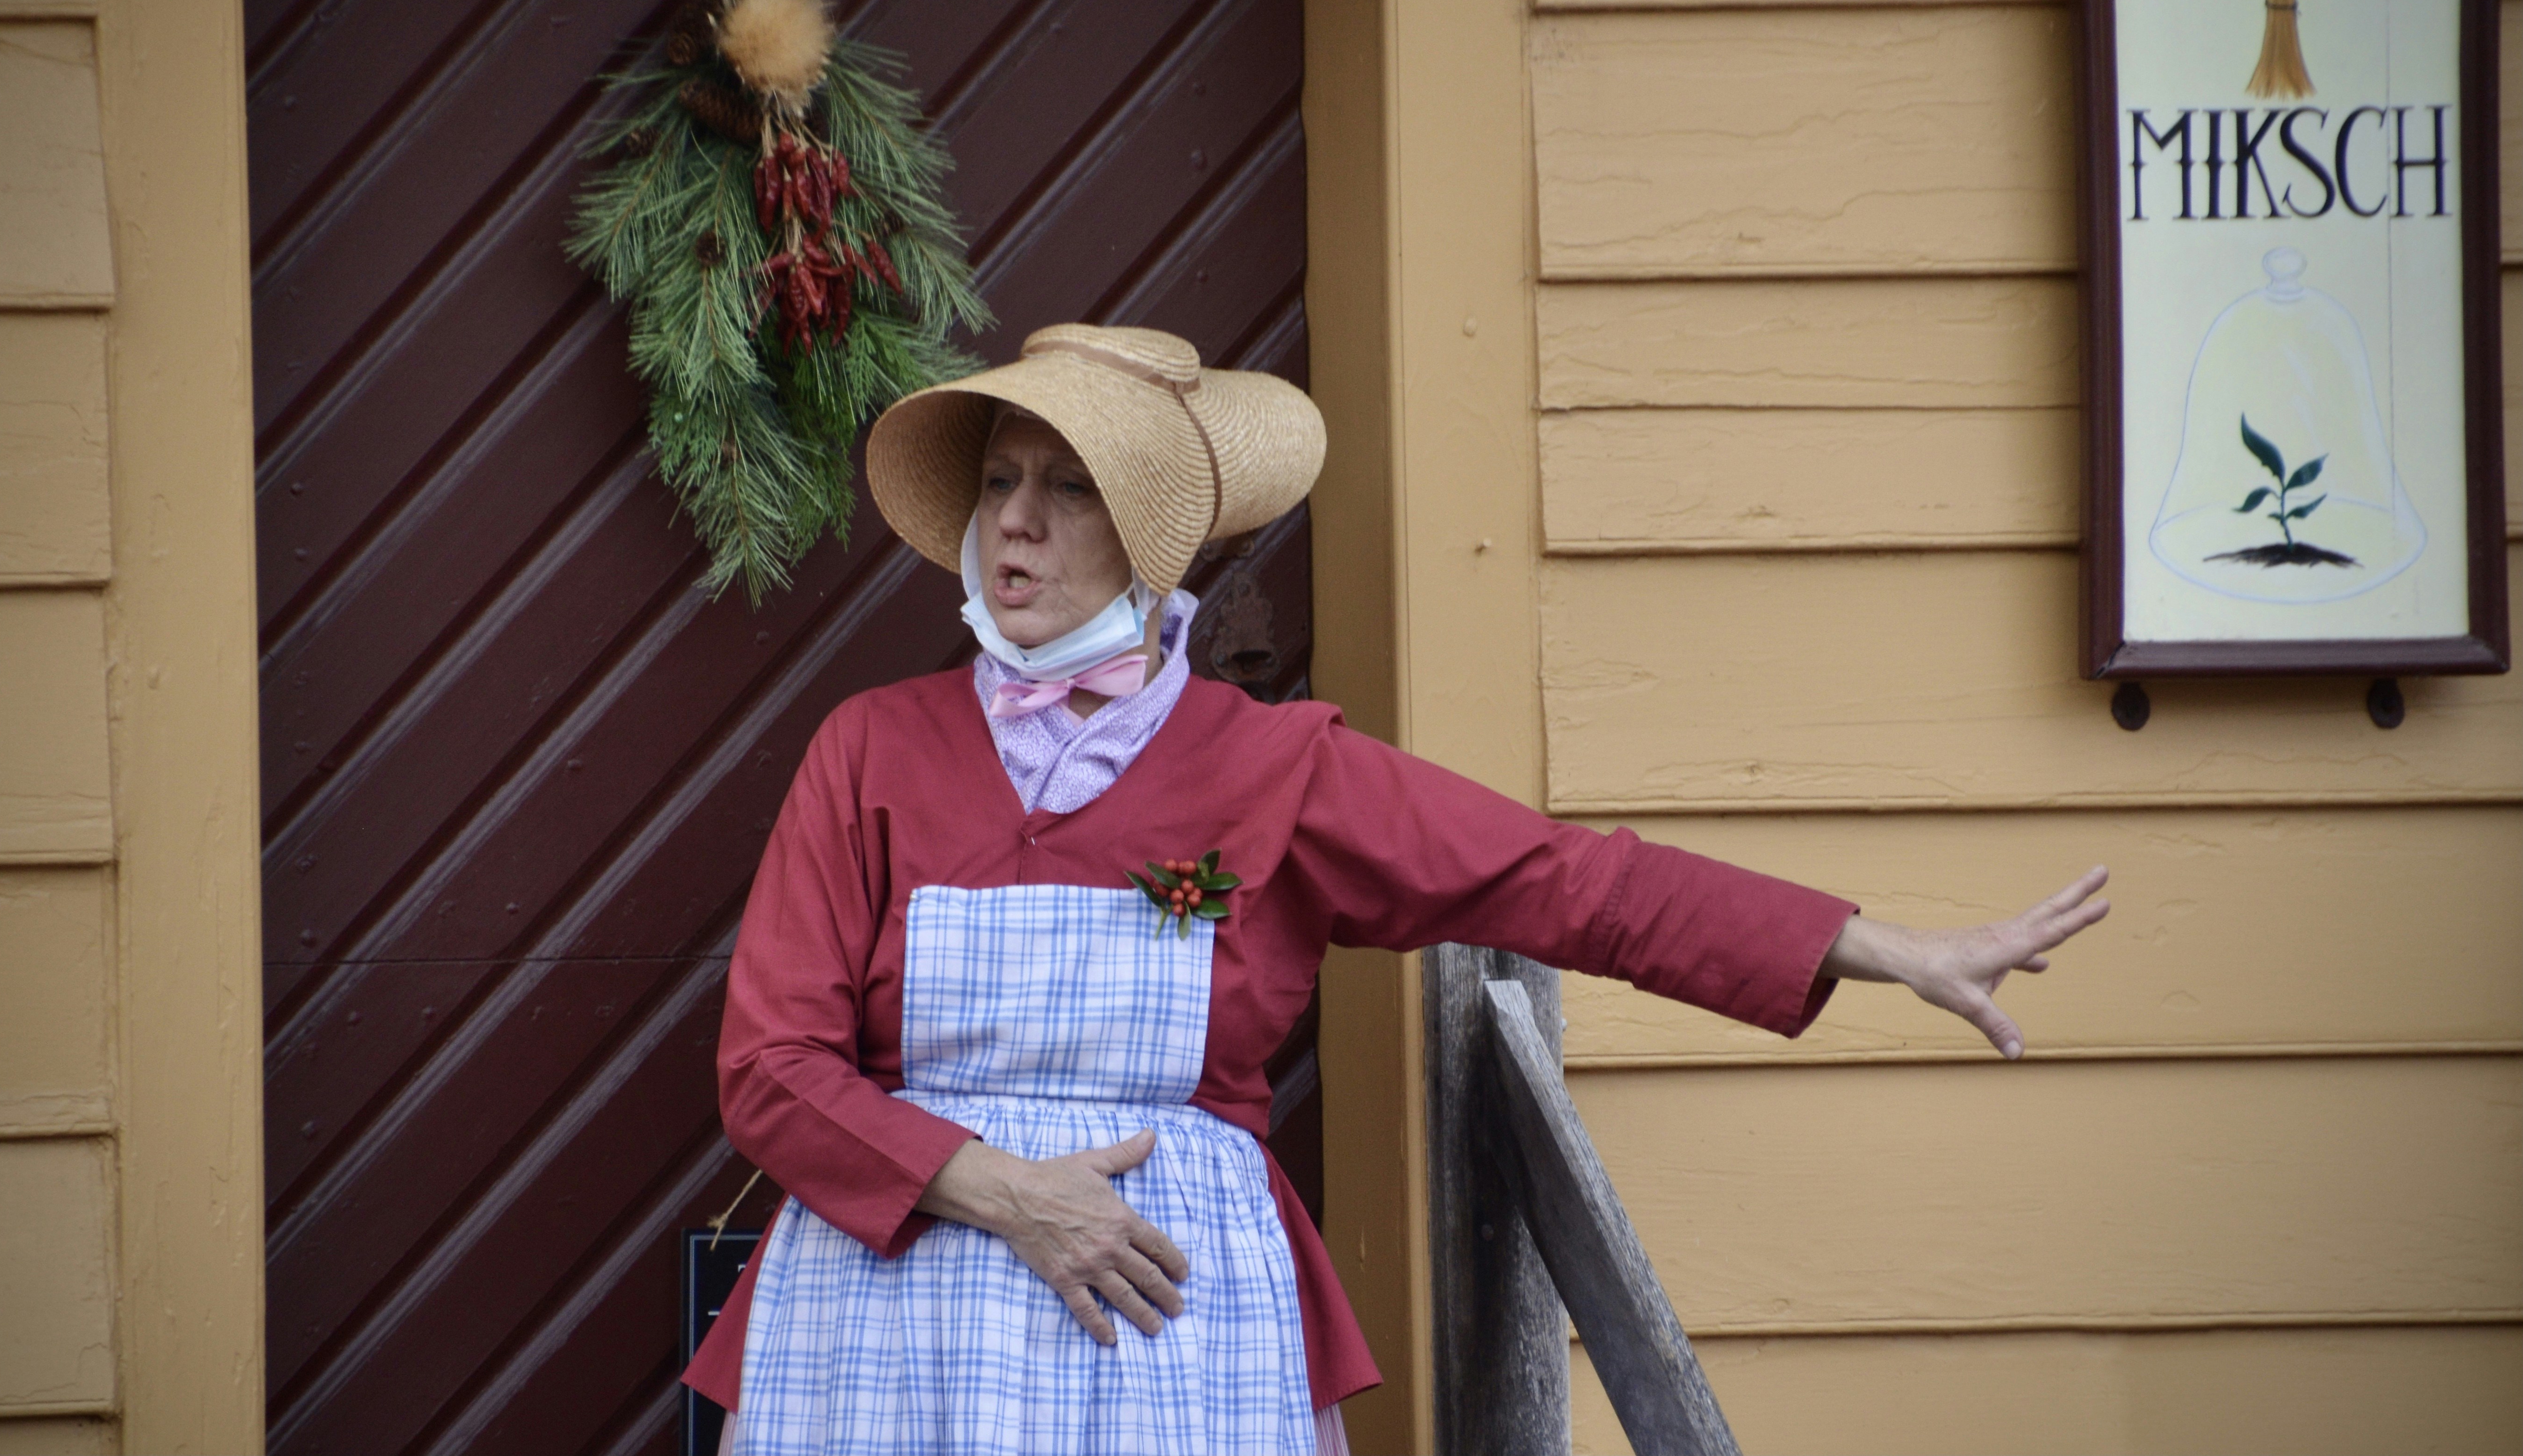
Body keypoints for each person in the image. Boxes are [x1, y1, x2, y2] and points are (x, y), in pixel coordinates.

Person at [682, 323, 2109, 1456]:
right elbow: (770, 1070)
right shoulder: (870, 751)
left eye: (1072, 490)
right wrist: (1005, 1194)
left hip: (1166, 1316)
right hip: (889, 1313)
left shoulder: (1275, 771)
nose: (1017, 527)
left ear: (1153, 537)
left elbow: (1568, 886)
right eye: (999, 482)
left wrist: (1874, 947)